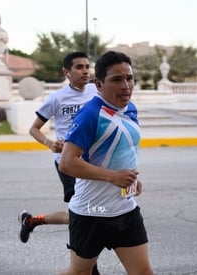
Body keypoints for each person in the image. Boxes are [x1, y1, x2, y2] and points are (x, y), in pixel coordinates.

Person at [57, 51, 153, 275]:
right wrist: (113, 177)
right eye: (117, 79)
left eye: (129, 78)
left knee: (143, 272)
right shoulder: (90, 114)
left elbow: (123, 150)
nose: (126, 85)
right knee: (78, 273)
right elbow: (67, 163)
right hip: (91, 213)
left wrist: (130, 179)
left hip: (125, 210)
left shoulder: (130, 109)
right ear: (98, 84)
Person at [17, 52, 99, 274]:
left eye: (87, 67)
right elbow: (34, 128)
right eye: (79, 67)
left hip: (92, 161)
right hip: (67, 162)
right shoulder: (57, 98)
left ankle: (32, 221)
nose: (85, 71)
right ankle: (88, 265)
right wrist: (49, 143)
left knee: (85, 213)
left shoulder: (95, 91)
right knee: (82, 215)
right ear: (67, 72)